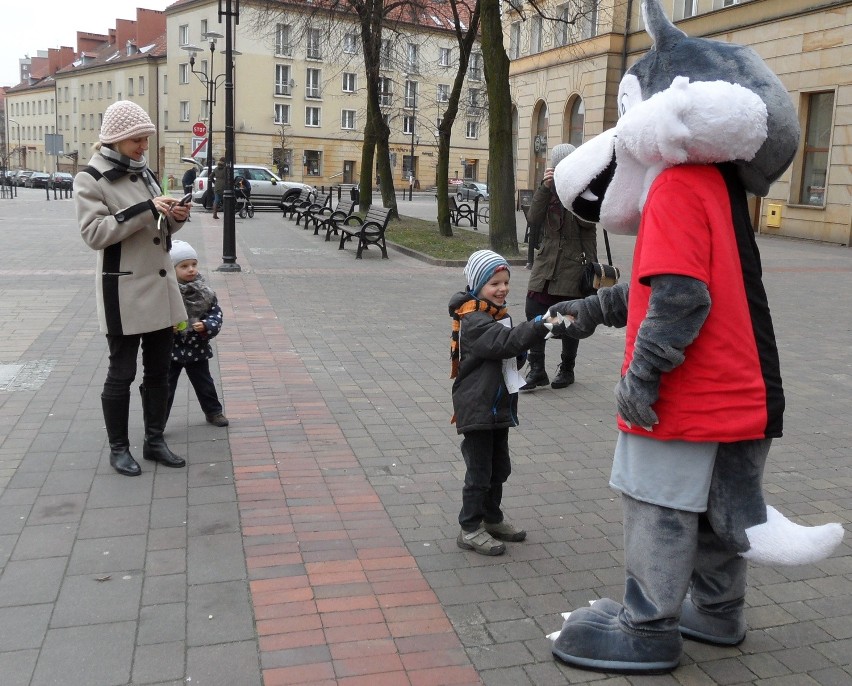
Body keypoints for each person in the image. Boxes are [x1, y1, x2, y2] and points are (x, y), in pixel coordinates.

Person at [75, 100, 190, 477]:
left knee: (159, 371)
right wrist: (144, 209)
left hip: (160, 288)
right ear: (117, 138)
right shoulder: (90, 178)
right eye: (137, 139)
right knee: (121, 373)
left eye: (145, 138)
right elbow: (94, 234)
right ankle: (118, 449)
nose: (144, 146)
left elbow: (157, 229)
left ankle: (154, 441)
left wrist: (173, 219)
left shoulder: (144, 172)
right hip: (122, 293)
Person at [449, 250, 552, 556]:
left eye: (506, 282)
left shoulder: (496, 315)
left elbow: (509, 353)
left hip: (498, 405)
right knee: (479, 471)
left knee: (499, 468)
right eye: (495, 283)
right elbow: (503, 342)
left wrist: (525, 344)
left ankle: (492, 518)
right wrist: (539, 325)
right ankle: (469, 528)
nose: (502, 288)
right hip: (478, 406)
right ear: (478, 285)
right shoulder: (474, 320)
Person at [521, 143, 598, 391]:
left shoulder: (586, 190)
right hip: (547, 262)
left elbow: (588, 221)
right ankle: (537, 369)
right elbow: (533, 218)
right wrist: (546, 187)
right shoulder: (548, 190)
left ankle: (567, 368)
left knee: (568, 318)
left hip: (575, 264)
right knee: (534, 309)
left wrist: (573, 187)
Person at [167, 240, 229, 427]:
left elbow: (215, 312)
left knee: (205, 384)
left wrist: (207, 325)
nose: (191, 269)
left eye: (193, 264)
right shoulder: (166, 292)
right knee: (165, 387)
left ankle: (213, 412)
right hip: (171, 350)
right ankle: (157, 421)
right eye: (184, 266)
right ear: (171, 269)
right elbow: (155, 314)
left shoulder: (205, 292)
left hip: (196, 348)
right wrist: (167, 327)